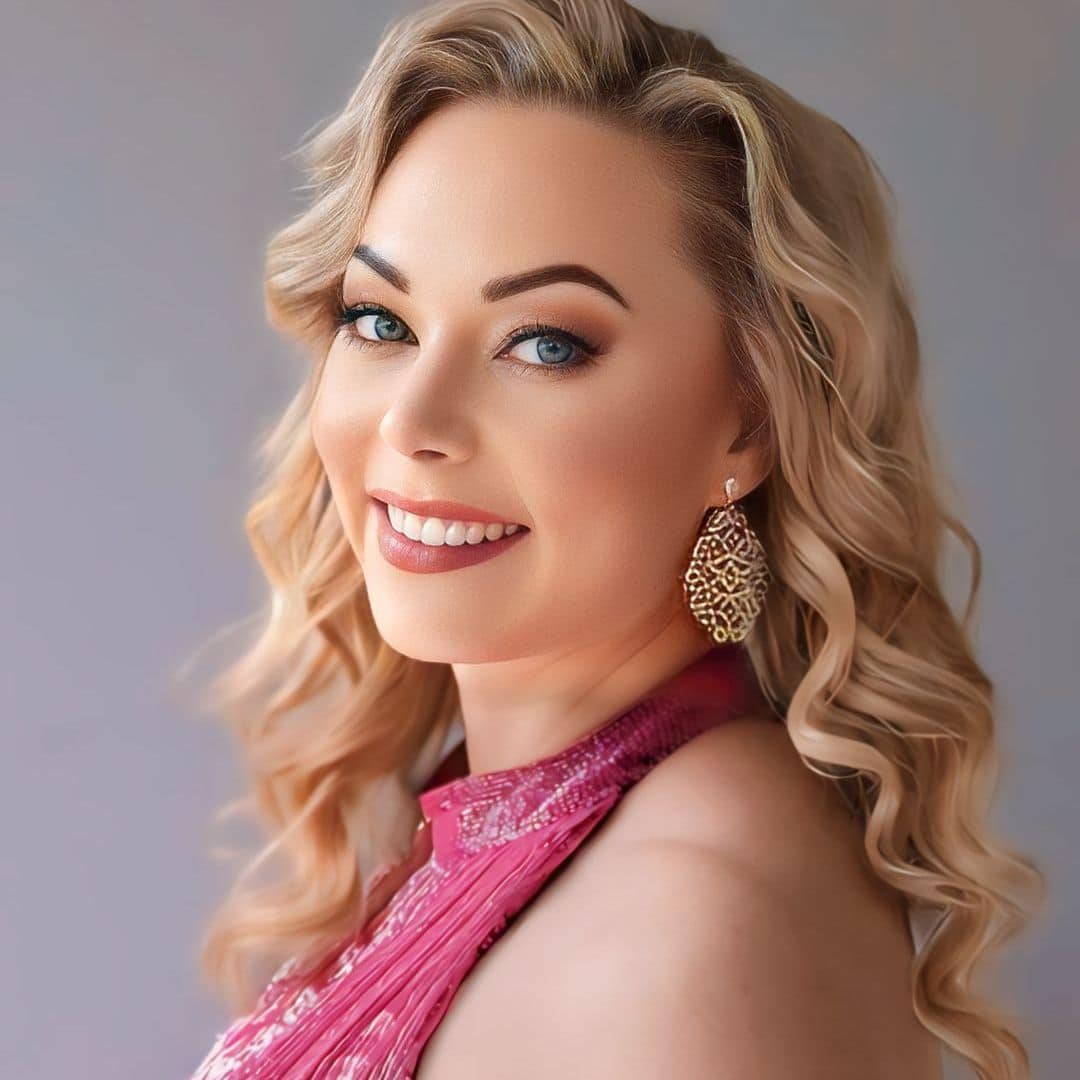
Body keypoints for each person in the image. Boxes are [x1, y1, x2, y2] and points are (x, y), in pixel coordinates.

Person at [186, 1, 1045, 1076]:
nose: (412, 423)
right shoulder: (538, 816)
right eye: (382, 322)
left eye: (543, 344)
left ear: (751, 421)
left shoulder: (691, 906)